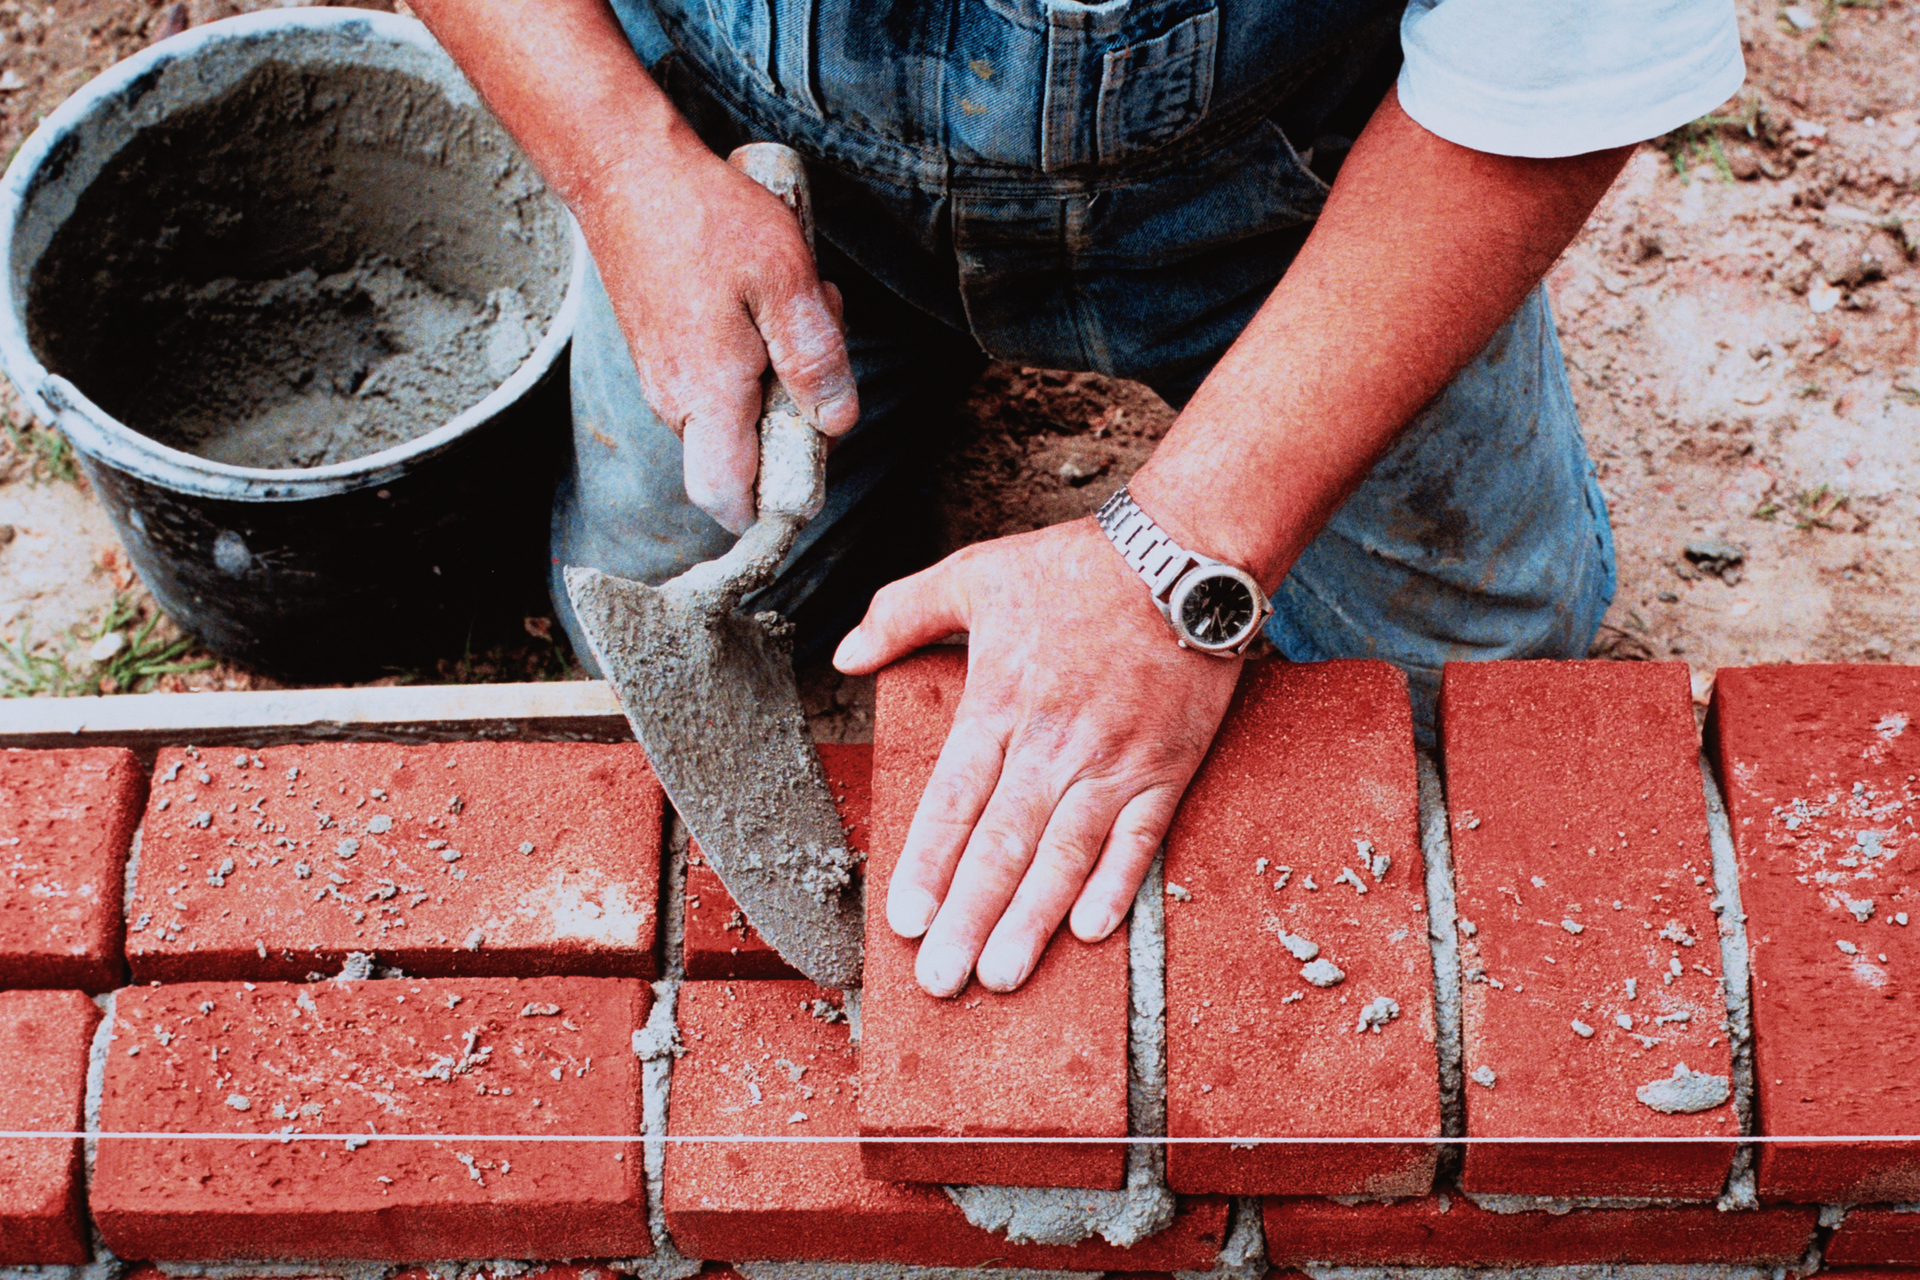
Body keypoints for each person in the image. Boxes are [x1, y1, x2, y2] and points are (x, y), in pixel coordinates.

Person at [412, 0, 1743, 998]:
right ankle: (898, 352)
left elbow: (1560, 75)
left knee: (1483, 683)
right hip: (769, 177)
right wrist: (624, 167)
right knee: (646, 584)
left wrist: (1181, 564)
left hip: (1289, 195)